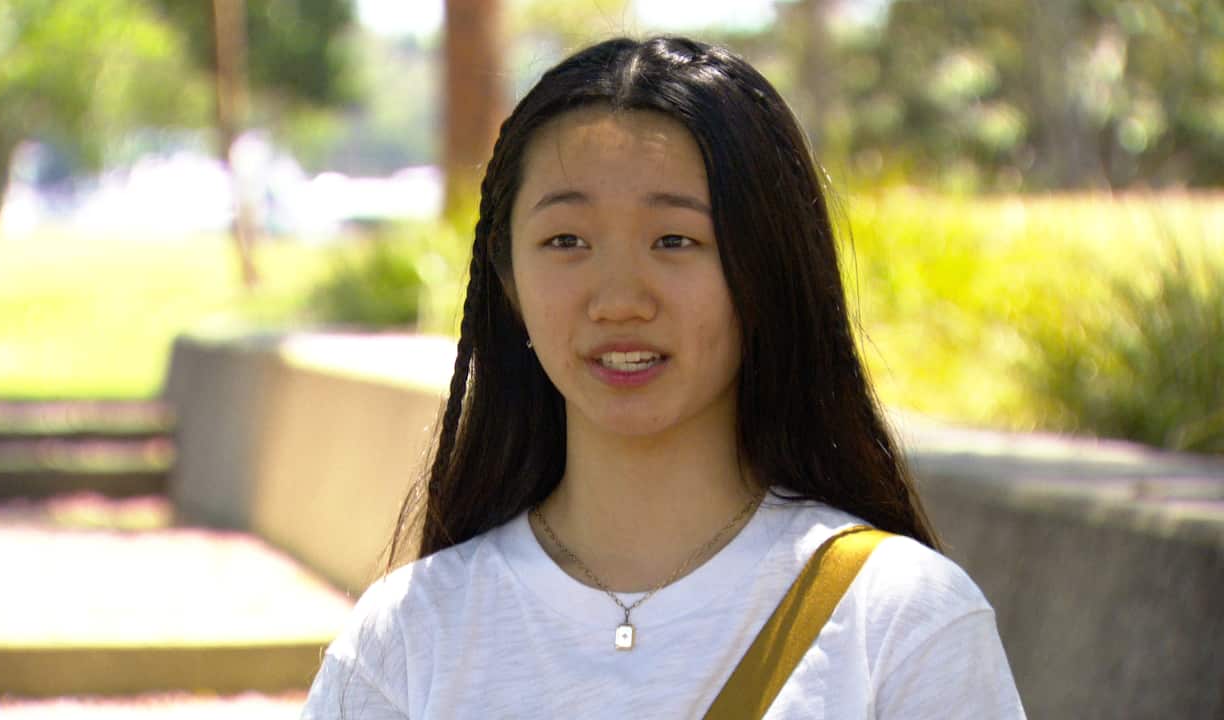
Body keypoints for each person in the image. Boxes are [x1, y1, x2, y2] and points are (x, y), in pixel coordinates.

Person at [302, 36, 1025, 719]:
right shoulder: (404, 639)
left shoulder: (901, 619)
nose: (619, 299)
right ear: (509, 279)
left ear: (766, 269)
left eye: (675, 240)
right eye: (566, 241)